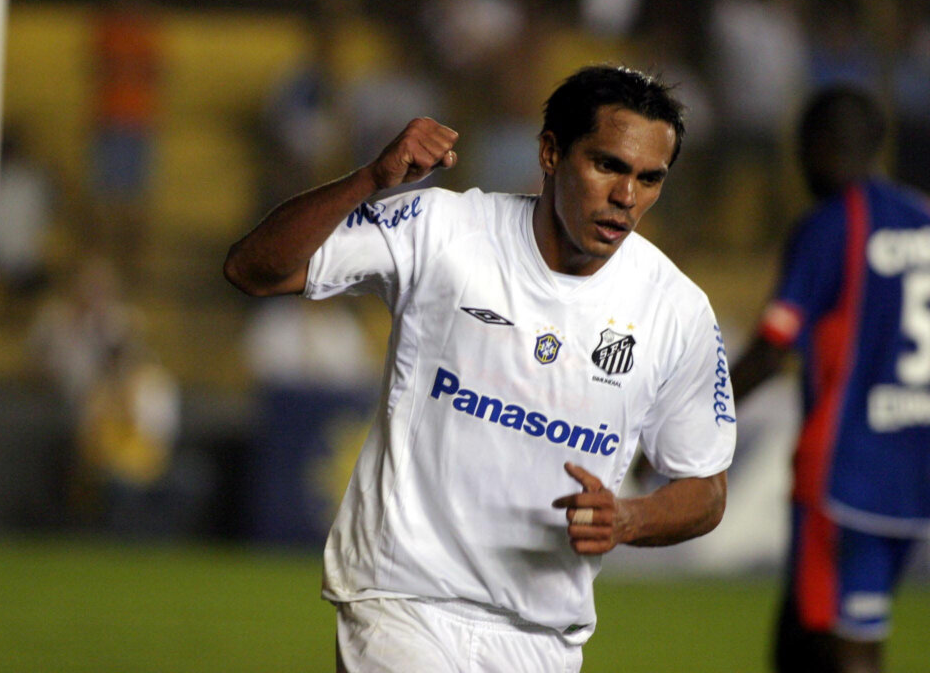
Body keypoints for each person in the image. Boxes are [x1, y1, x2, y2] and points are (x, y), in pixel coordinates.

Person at [225, 65, 736, 672]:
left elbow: (706, 490)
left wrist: (630, 518)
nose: (627, 196)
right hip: (402, 603)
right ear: (550, 152)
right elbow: (254, 269)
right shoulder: (443, 230)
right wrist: (369, 180)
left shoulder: (676, 311)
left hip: (544, 638)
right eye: (608, 165)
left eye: (650, 178)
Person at [731, 86, 930, 673]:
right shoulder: (923, 217)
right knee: (805, 624)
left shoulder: (831, 226)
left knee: (849, 641)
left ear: (816, 146)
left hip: (847, 469)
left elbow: (773, 349)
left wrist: (683, 420)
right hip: (915, 462)